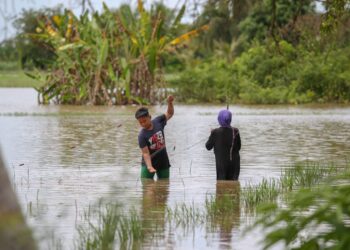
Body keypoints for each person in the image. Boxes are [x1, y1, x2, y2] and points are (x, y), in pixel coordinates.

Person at [135, 95, 174, 179]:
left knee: (164, 186)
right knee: (147, 187)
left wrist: (170, 103)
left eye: (144, 121)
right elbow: (145, 153)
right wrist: (149, 167)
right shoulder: (142, 135)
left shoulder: (158, 121)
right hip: (148, 163)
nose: (143, 124)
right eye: (140, 122)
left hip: (163, 162)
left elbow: (170, 113)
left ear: (149, 117)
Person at [205, 109, 241, 180]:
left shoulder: (215, 132)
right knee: (234, 186)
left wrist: (211, 134)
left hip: (222, 165)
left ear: (219, 119)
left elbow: (208, 146)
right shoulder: (235, 131)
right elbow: (238, 147)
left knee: (221, 187)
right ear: (230, 119)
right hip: (235, 164)